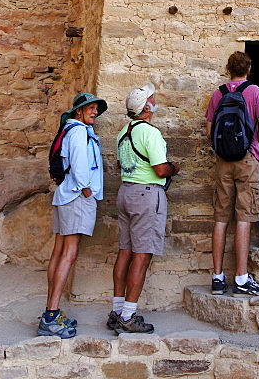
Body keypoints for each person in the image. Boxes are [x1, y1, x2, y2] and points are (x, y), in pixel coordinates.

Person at [108, 83, 180, 335]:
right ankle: (128, 315)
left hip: (126, 191)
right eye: (151, 98)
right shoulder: (150, 133)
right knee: (142, 253)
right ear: (146, 108)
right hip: (146, 194)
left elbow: (121, 164)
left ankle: (117, 310)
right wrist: (174, 168)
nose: (154, 100)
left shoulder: (122, 132)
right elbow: (160, 169)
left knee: (125, 251)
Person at [39, 91, 107, 339]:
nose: (95, 112)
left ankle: (52, 311)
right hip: (77, 197)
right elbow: (79, 167)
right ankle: (50, 315)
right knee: (68, 253)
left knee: (59, 252)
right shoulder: (79, 131)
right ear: (79, 110)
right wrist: (87, 191)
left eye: (96, 109)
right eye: (90, 108)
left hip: (66, 195)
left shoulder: (70, 129)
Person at [205, 50, 259, 297]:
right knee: (244, 216)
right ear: (249, 69)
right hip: (247, 159)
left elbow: (209, 130)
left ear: (228, 69)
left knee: (221, 218)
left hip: (223, 160)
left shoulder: (219, 93)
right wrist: (255, 148)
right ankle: (242, 279)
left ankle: (217, 278)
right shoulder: (256, 92)